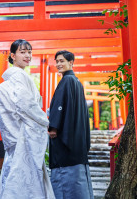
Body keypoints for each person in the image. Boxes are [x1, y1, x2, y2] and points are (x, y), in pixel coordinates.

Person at [0, 39, 55, 199]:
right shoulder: (19, 77)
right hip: (24, 138)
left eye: (29, 52)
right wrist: (46, 123)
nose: (27, 55)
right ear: (12, 55)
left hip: (14, 138)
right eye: (22, 52)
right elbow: (26, 106)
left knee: (13, 177)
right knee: (26, 183)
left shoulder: (6, 83)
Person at [48, 50, 93, 199]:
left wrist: (53, 127)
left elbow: (59, 106)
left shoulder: (66, 81)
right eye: (57, 61)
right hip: (77, 139)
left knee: (64, 182)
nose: (59, 64)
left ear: (71, 63)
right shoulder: (76, 82)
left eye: (62, 61)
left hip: (65, 139)